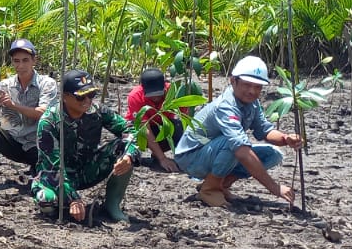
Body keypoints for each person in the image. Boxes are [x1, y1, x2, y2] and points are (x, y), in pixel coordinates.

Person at [173, 56, 301, 207]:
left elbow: (264, 130)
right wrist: (275, 188)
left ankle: (221, 185)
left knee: (272, 154)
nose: (252, 91)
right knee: (234, 144)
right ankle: (209, 189)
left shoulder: (252, 104)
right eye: (247, 85)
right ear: (233, 81)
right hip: (192, 157)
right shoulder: (226, 106)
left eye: (258, 86)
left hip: (213, 151)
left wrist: (286, 138)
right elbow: (240, 149)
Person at [32, 70, 138, 223]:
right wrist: (73, 198)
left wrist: (129, 155)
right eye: (80, 96)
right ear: (65, 96)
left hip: (87, 169)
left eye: (91, 95)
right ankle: (63, 206)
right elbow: (53, 168)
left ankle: (112, 205)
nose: (87, 100)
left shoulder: (98, 110)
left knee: (124, 146)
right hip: (56, 175)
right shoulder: (49, 122)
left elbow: (130, 130)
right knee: (46, 201)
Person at [0, 38, 57, 188]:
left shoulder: (47, 83)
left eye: (25, 60)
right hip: (13, 141)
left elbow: (43, 113)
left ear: (33, 61)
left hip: (38, 146)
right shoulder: (5, 85)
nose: (21, 65)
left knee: (45, 178)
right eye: (16, 61)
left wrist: (13, 105)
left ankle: (38, 170)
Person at [125, 68, 188, 172]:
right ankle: (146, 156)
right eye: (151, 94)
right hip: (140, 131)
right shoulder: (135, 96)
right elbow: (145, 129)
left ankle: (165, 155)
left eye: (159, 93)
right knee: (130, 136)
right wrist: (163, 159)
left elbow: (185, 117)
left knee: (178, 127)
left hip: (161, 128)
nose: (155, 97)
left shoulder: (173, 92)